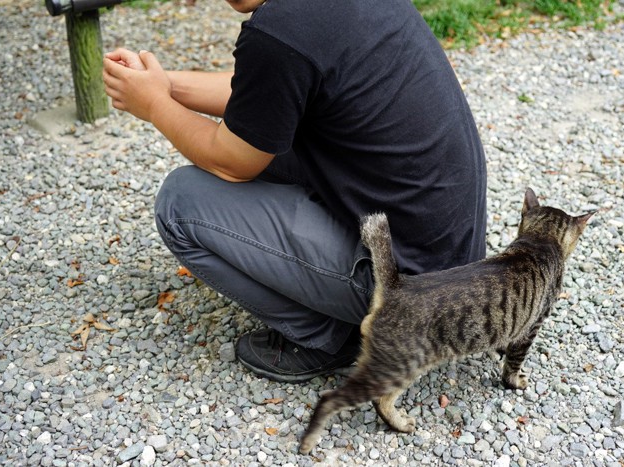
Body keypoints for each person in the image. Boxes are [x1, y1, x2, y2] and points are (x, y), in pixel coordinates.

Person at [102, 0, 487, 383]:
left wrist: (153, 104)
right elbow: (269, 89)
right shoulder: (306, 18)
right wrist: (163, 83)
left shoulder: (281, 28)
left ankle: (330, 336)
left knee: (179, 202)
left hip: (409, 295)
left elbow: (229, 161)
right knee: (275, 140)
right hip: (456, 267)